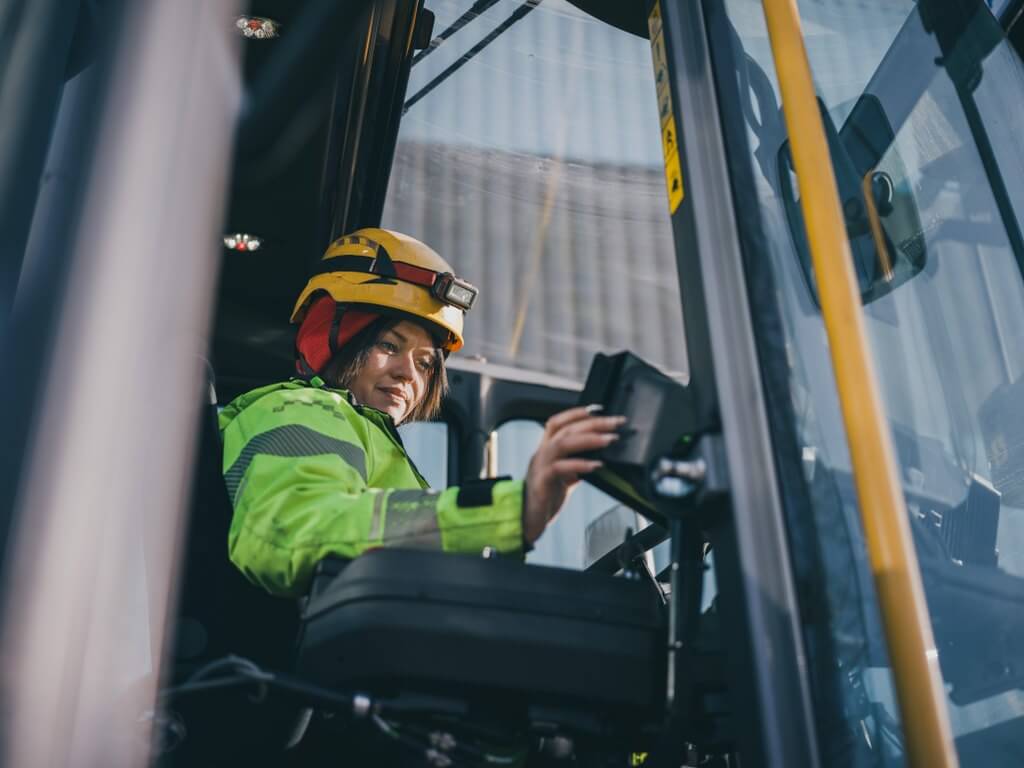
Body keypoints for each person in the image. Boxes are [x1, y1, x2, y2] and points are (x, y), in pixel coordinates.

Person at [220, 228, 624, 597]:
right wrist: (514, 509)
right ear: (336, 338)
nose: (407, 373)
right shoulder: (302, 409)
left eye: (426, 364)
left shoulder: (372, 442)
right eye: (389, 347)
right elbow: (290, 530)